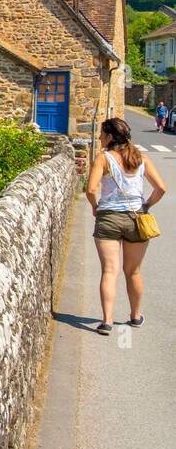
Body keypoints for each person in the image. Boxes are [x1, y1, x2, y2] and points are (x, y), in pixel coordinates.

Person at [86, 118, 166, 333]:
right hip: (135, 219)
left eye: (102, 134)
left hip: (109, 218)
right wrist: (145, 205)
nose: (100, 138)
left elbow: (91, 189)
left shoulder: (103, 159)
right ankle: (135, 316)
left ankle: (107, 321)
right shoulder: (142, 158)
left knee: (109, 271)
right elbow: (161, 188)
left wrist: (95, 208)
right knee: (133, 272)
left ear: (110, 137)